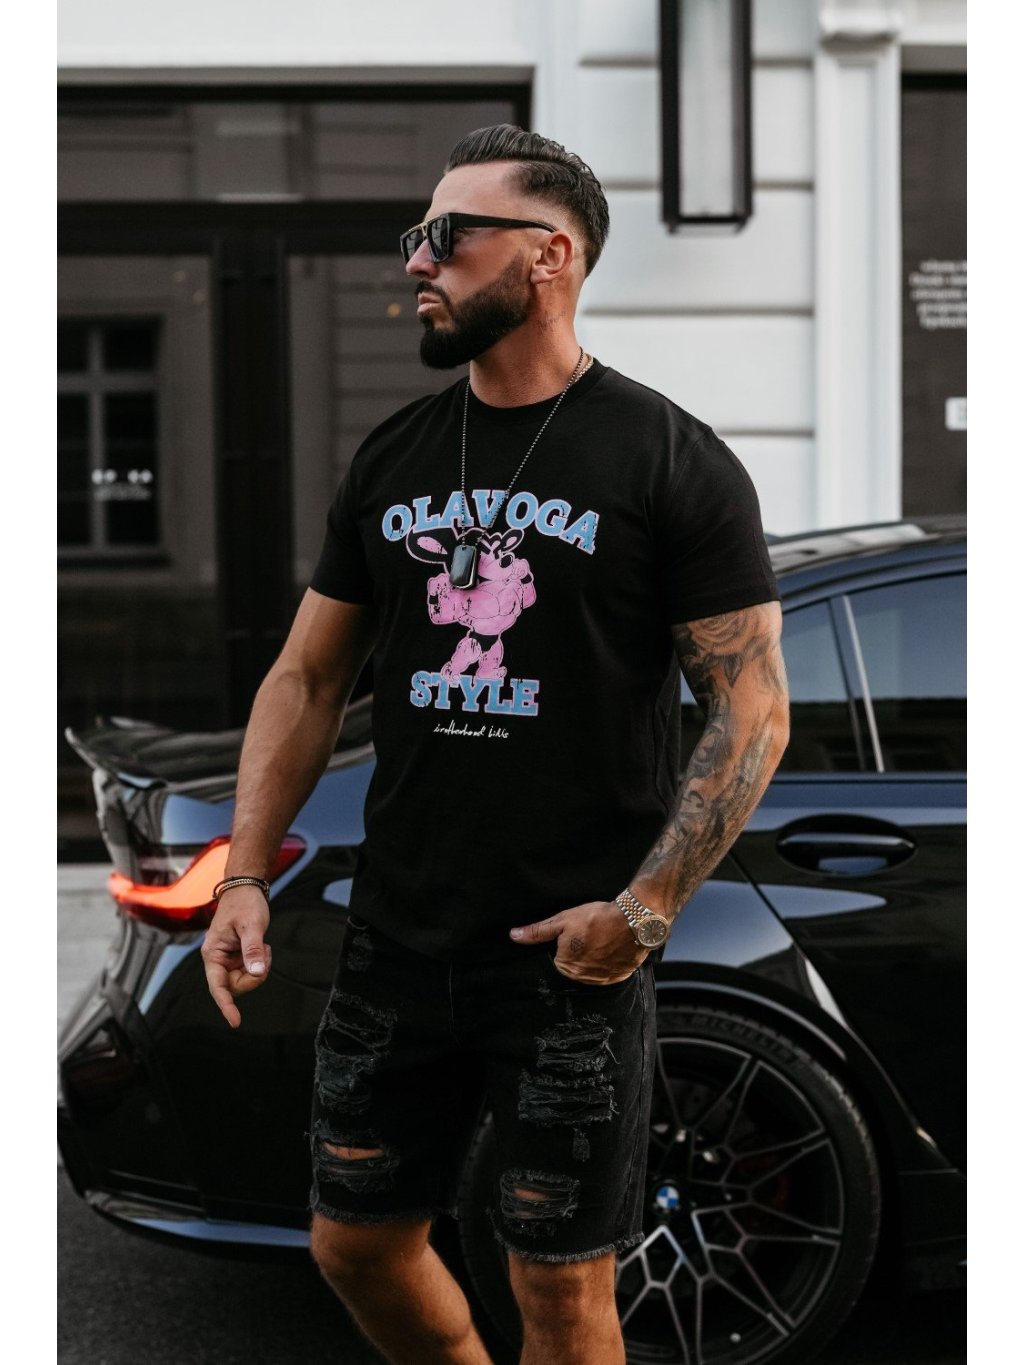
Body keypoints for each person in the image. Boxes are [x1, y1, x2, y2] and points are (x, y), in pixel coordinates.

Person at [201, 124, 790, 1365]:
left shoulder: (669, 461)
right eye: (416, 235)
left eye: (446, 235)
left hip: (566, 961)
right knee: (353, 1245)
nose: (416, 259)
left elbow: (751, 711)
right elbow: (307, 677)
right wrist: (243, 871)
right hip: (397, 942)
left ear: (548, 256)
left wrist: (640, 914)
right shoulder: (396, 454)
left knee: (562, 1294)